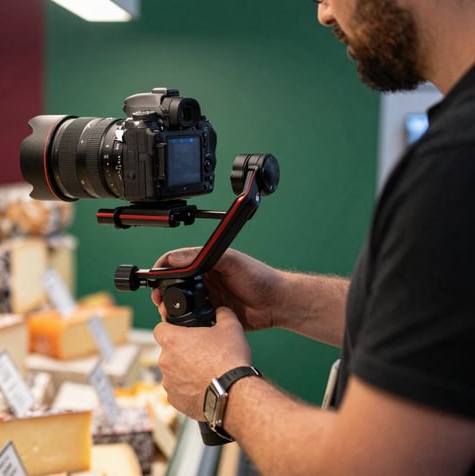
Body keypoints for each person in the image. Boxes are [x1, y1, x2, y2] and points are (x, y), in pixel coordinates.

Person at [151, 0, 475, 474]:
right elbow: (450, 334)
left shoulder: (456, 164)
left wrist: (222, 388)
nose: (323, 13)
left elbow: (370, 468)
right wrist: (282, 299)